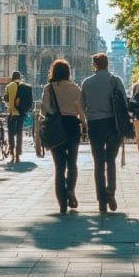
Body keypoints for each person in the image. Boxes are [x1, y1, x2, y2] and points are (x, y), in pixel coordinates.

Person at [81, 53, 126, 213]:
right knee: (111, 161)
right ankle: (111, 192)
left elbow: (82, 105)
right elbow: (124, 103)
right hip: (112, 124)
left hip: (95, 124)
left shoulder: (86, 83)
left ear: (95, 65)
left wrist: (86, 120)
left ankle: (101, 200)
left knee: (98, 164)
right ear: (107, 64)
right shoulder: (116, 80)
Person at [40, 59, 87, 213]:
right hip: (72, 125)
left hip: (56, 126)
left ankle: (62, 203)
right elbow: (80, 109)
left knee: (59, 166)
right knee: (72, 162)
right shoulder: (75, 88)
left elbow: (43, 109)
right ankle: (71, 189)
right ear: (68, 72)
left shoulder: (49, 88)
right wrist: (84, 124)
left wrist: (52, 114)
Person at [4, 71, 25, 163]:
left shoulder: (9, 86)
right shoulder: (24, 86)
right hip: (21, 113)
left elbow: (6, 98)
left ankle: (12, 153)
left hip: (12, 113)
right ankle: (18, 154)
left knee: (11, 134)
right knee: (19, 133)